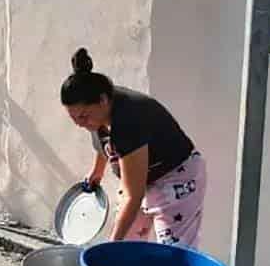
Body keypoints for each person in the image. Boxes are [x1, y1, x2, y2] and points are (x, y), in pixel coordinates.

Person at [60, 48, 207, 248]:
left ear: (103, 100)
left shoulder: (128, 120)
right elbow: (103, 142)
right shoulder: (97, 111)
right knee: (128, 244)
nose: (79, 123)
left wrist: (111, 247)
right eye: (74, 118)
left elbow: (133, 196)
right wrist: (97, 170)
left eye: (83, 117)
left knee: (175, 253)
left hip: (177, 177)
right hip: (142, 179)